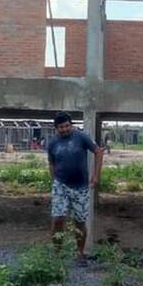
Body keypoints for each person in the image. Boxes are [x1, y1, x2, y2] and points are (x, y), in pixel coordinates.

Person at [47, 111, 104, 263]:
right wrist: (53, 181)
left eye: (67, 126)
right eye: (61, 127)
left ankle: (80, 253)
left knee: (79, 221)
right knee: (58, 219)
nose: (64, 129)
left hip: (81, 187)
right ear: (56, 128)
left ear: (71, 125)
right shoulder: (52, 143)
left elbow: (98, 152)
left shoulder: (81, 137)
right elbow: (51, 163)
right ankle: (57, 254)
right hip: (61, 185)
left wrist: (96, 176)